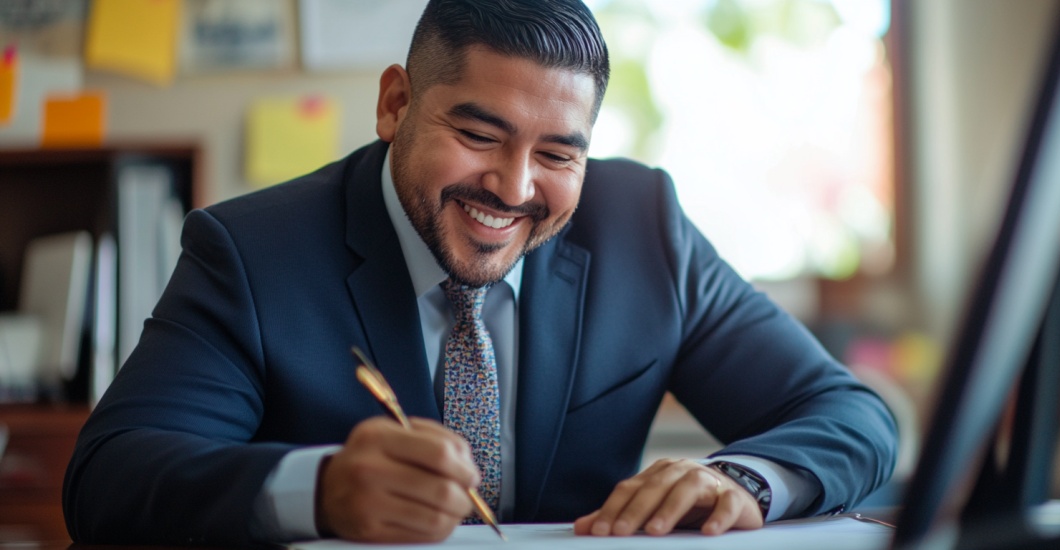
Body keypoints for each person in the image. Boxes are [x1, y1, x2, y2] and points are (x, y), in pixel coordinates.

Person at [63, 0, 896, 545]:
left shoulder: (647, 230)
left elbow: (851, 413)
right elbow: (111, 478)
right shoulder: (252, 252)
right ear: (395, 104)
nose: (514, 186)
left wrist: (740, 479)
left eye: (558, 153)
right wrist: (316, 490)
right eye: (480, 134)